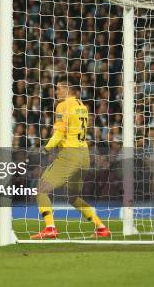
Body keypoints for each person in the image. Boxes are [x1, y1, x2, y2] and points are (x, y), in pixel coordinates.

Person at [31, 78, 110, 239]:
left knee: (41, 189)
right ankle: (101, 228)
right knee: (73, 198)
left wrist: (46, 148)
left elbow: (60, 133)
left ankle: (50, 227)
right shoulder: (82, 106)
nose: (56, 92)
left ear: (68, 90)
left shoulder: (62, 105)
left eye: (59, 88)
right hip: (84, 155)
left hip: (70, 155)